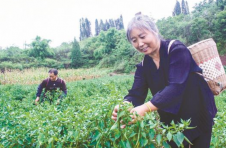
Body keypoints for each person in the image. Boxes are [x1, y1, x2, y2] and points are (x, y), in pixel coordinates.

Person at [111, 14, 217, 148]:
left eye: (142, 36)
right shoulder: (143, 66)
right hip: (171, 119)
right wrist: (124, 105)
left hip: (198, 111)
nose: (140, 43)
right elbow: (136, 94)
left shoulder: (177, 50)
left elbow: (176, 87)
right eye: (134, 40)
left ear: (154, 31)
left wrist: (145, 108)